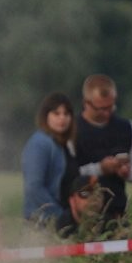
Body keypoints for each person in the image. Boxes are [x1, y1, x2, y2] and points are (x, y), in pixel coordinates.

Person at [73, 74, 132, 224]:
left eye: (110, 107)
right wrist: (100, 169)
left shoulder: (126, 127)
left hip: (116, 212)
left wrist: (127, 172)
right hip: (80, 216)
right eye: (100, 109)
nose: (107, 113)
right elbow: (68, 173)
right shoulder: (72, 130)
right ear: (86, 103)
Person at [21, 91, 77, 226]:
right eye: (56, 113)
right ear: (46, 116)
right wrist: (59, 215)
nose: (62, 118)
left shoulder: (63, 145)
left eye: (66, 114)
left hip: (57, 219)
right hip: (41, 221)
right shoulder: (40, 144)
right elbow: (34, 187)